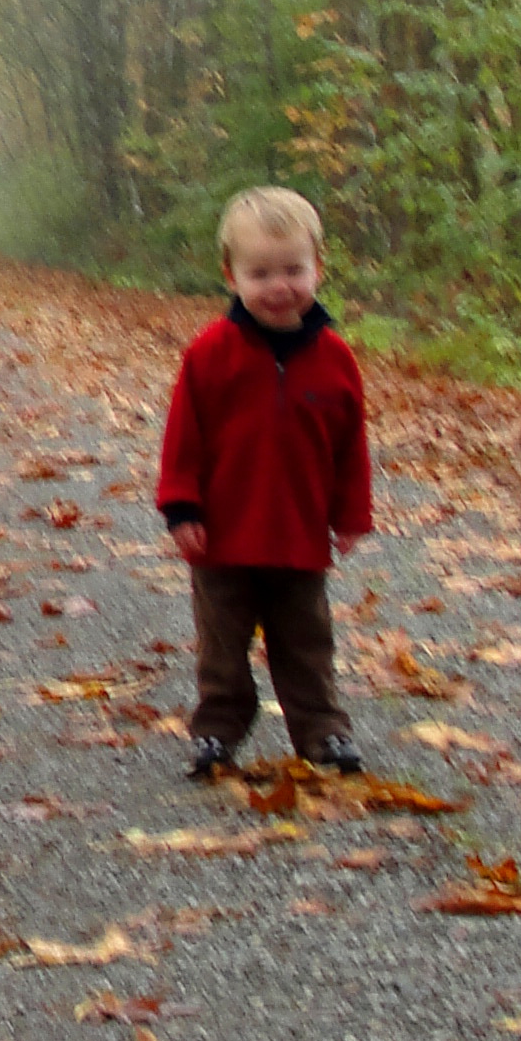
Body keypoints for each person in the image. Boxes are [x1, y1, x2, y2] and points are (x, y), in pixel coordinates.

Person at [155, 185, 371, 780]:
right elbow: (183, 440)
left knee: (306, 642)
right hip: (223, 539)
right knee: (222, 646)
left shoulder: (334, 360)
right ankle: (217, 734)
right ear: (231, 276)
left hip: (298, 536)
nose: (280, 287)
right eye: (260, 273)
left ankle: (324, 732)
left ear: (318, 268)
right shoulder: (210, 356)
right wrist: (181, 508)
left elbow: (351, 445)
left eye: (294, 270)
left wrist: (351, 514)